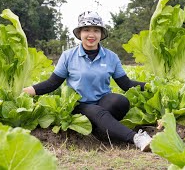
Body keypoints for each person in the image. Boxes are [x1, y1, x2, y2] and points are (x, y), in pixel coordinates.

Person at [23, 11, 153, 152]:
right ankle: (136, 138)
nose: (91, 35)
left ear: (101, 34)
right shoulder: (68, 56)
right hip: (79, 105)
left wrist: (150, 86)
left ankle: (100, 130)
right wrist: (29, 90)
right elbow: (53, 83)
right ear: (79, 33)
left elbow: (126, 84)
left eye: (96, 30)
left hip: (103, 102)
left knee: (120, 101)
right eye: (86, 30)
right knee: (96, 111)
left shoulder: (111, 57)